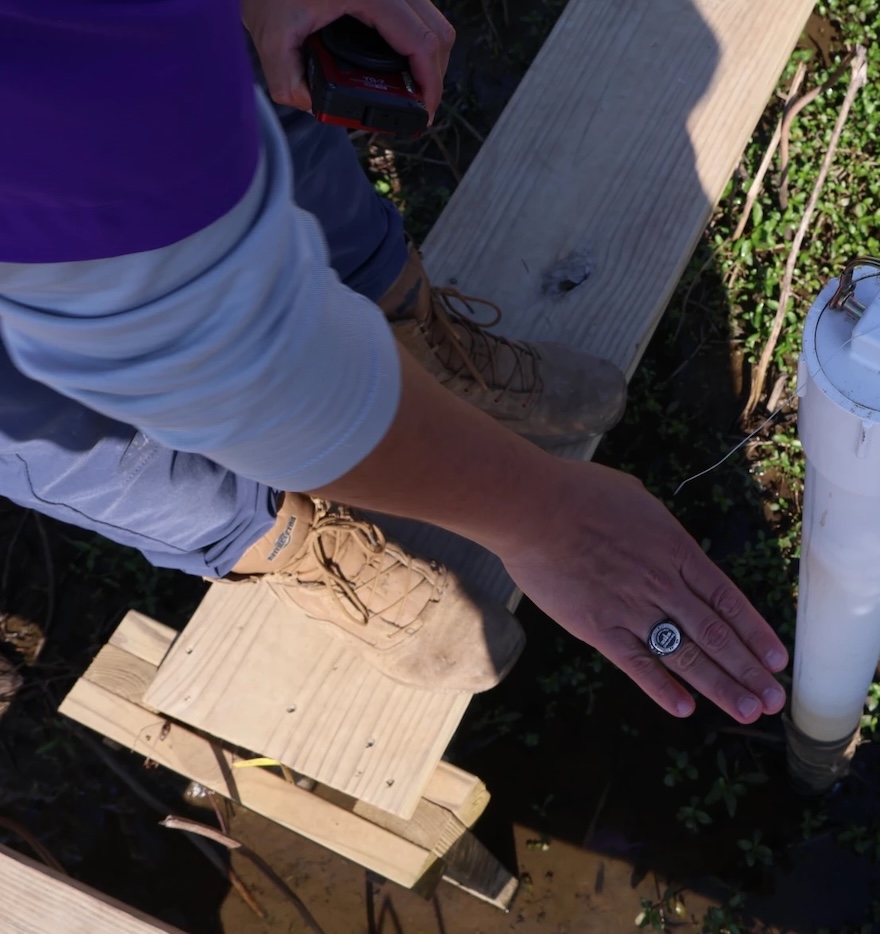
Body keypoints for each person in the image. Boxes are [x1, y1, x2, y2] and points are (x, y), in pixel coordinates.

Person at [0, 0, 788, 725]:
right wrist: (549, 517)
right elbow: (235, 370)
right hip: (55, 134)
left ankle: (405, 333)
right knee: (48, 416)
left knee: (285, 71)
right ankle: (270, 531)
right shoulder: (54, 89)